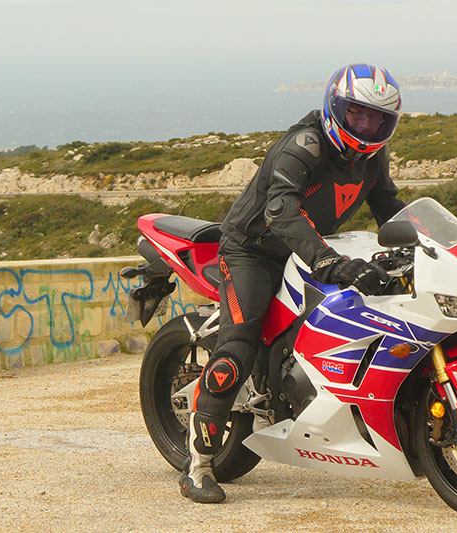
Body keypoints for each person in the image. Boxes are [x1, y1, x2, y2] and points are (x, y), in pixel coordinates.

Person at [179, 63, 406, 503]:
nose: (367, 125)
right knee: (238, 346)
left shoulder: (372, 157)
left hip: (308, 248)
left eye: (377, 118)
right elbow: (280, 210)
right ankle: (199, 467)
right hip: (253, 252)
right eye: (358, 113)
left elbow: (389, 207)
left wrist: (427, 245)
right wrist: (327, 260)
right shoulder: (303, 146)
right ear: (336, 107)